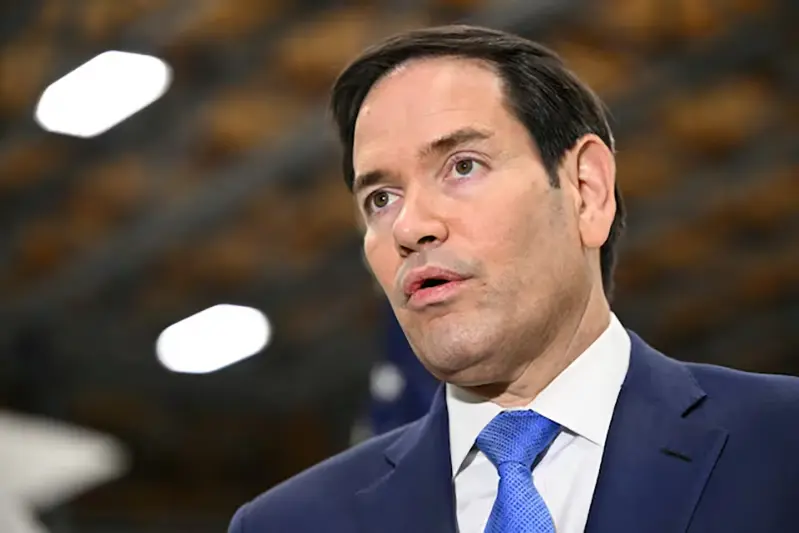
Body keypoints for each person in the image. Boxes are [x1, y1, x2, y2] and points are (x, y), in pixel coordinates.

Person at [228, 25, 799, 533]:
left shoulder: (782, 445)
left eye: (463, 166)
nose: (410, 226)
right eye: (380, 198)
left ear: (585, 190)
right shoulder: (290, 522)